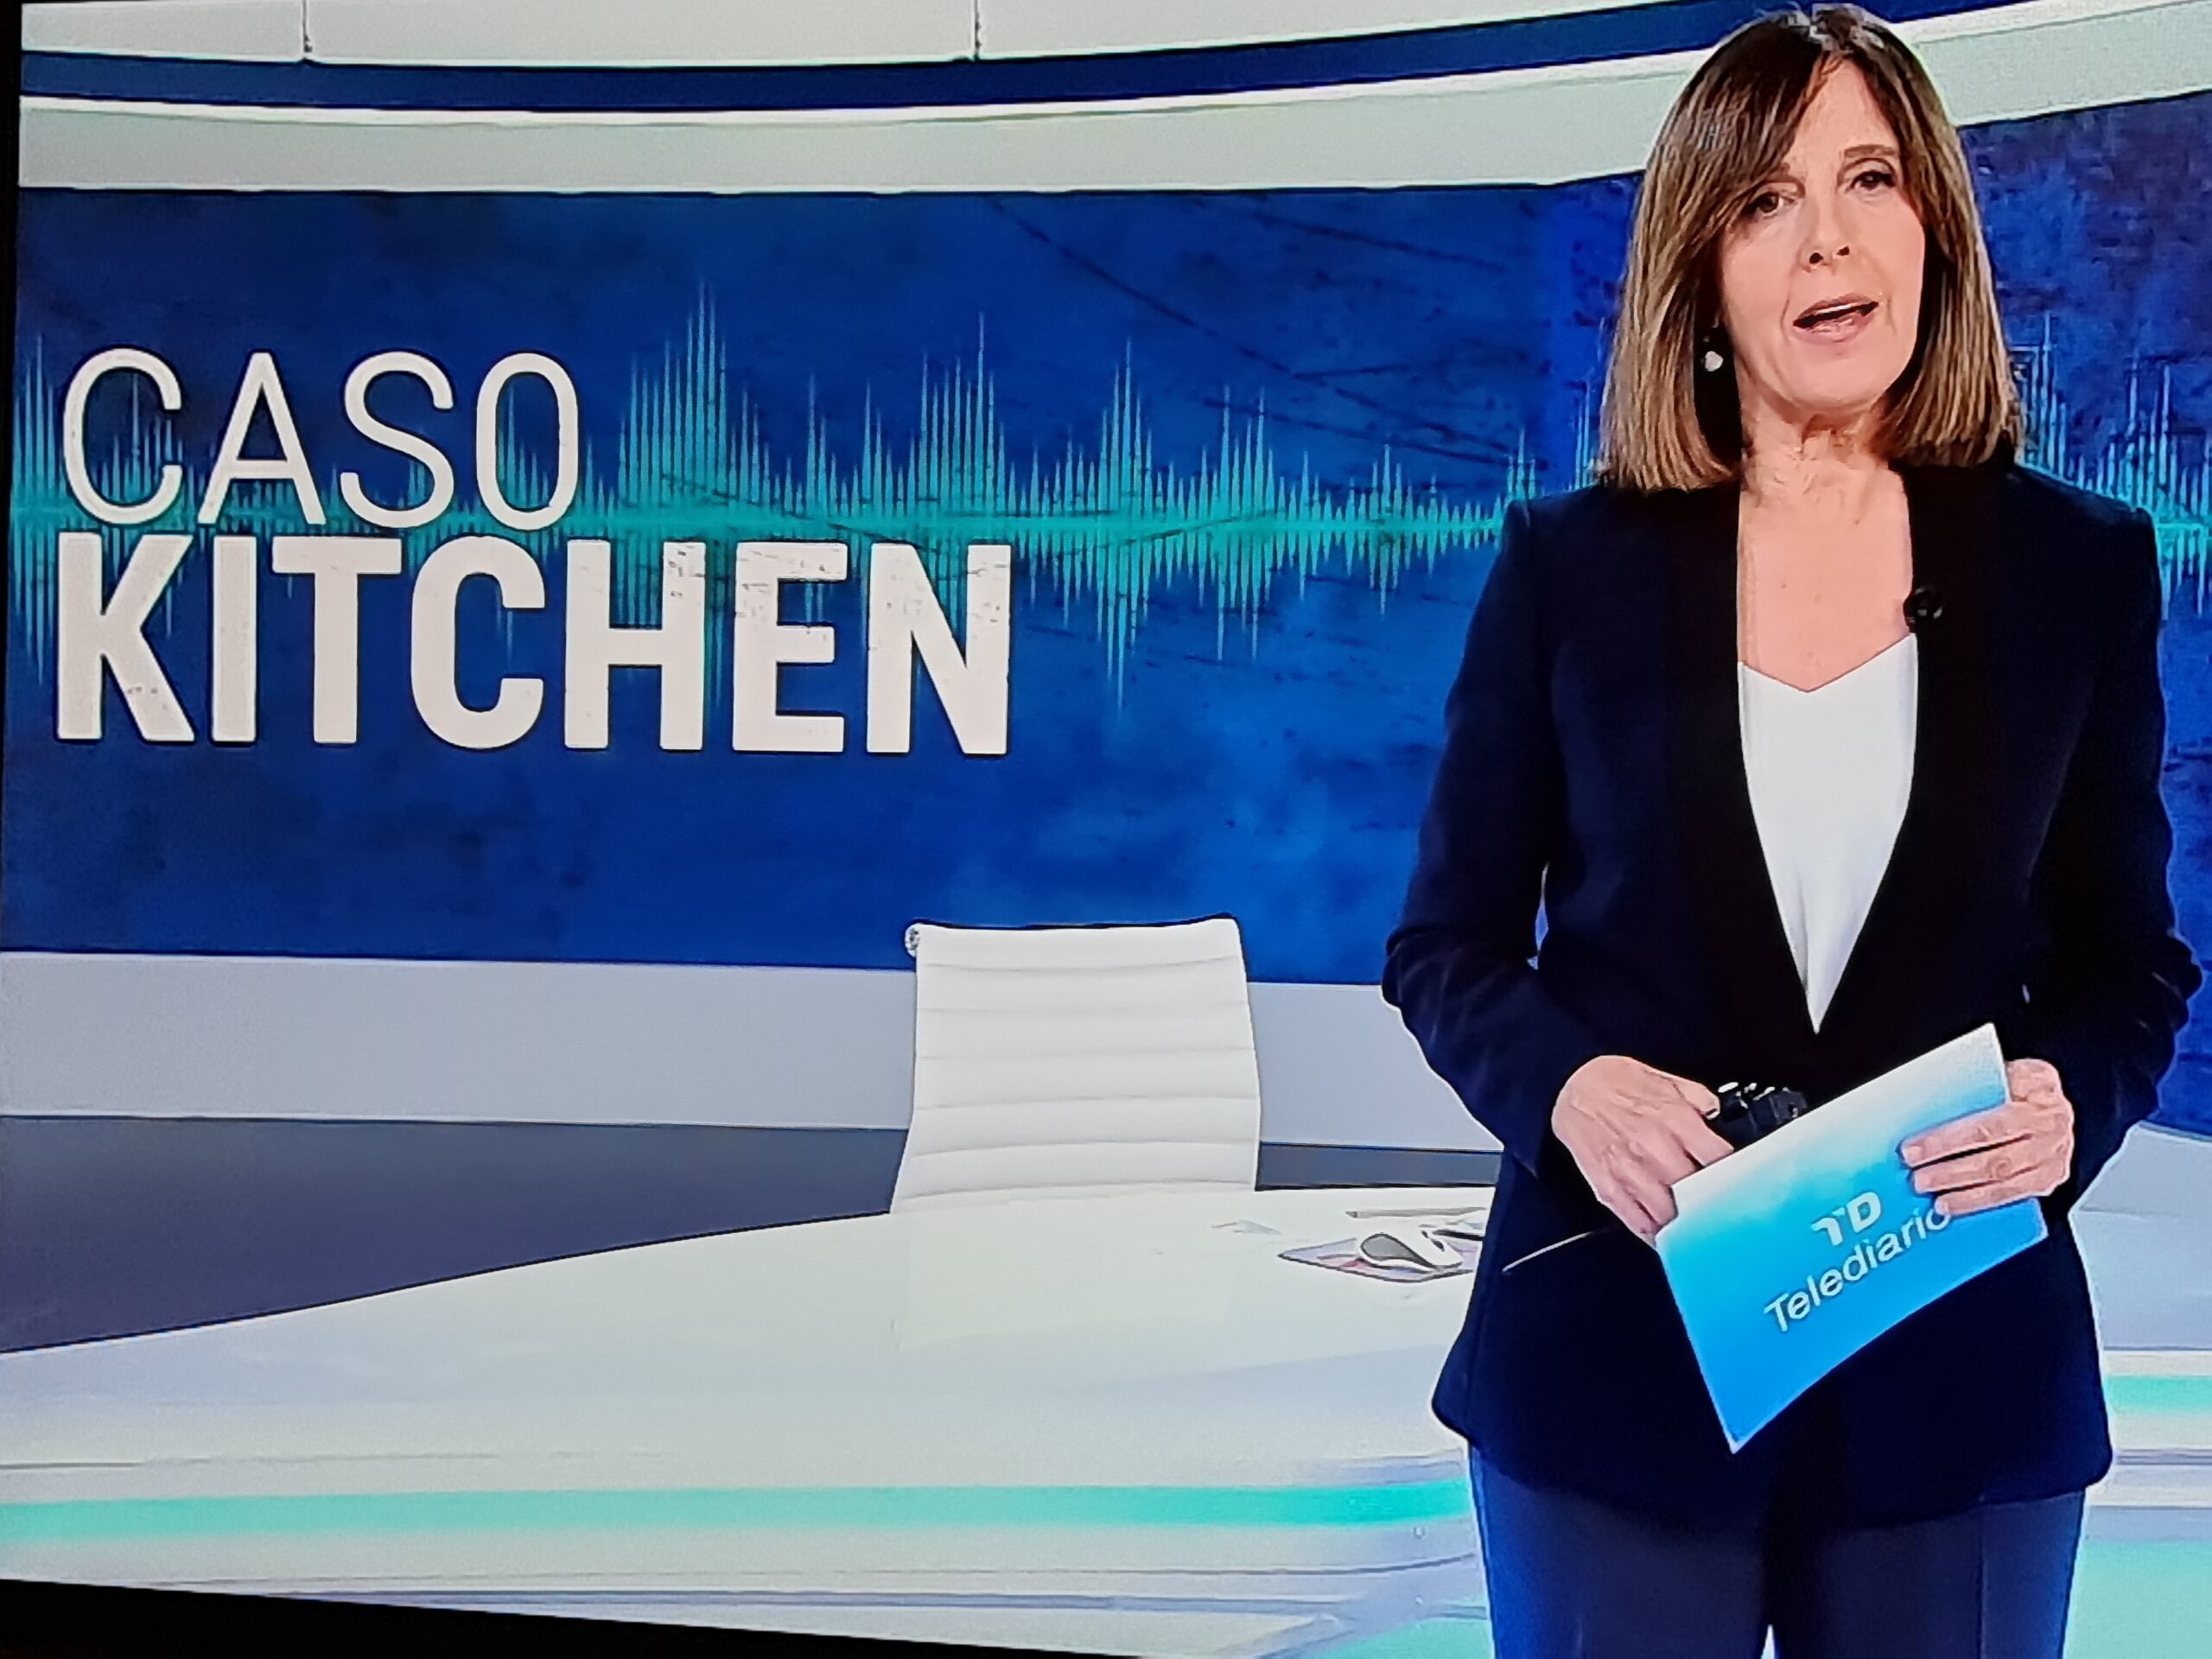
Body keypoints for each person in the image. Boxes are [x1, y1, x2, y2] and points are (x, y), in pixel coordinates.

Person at [1380, 7, 2202, 1656]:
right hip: (1620, 1367)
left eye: (1870, 178)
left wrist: (2068, 1097)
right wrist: (1572, 1089)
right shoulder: (1570, 572)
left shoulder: (2079, 572)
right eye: (1765, 199)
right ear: (1703, 270)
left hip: (1955, 1372)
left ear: (1933, 229)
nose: (1828, 235)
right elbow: (1445, 948)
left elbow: (2131, 961)